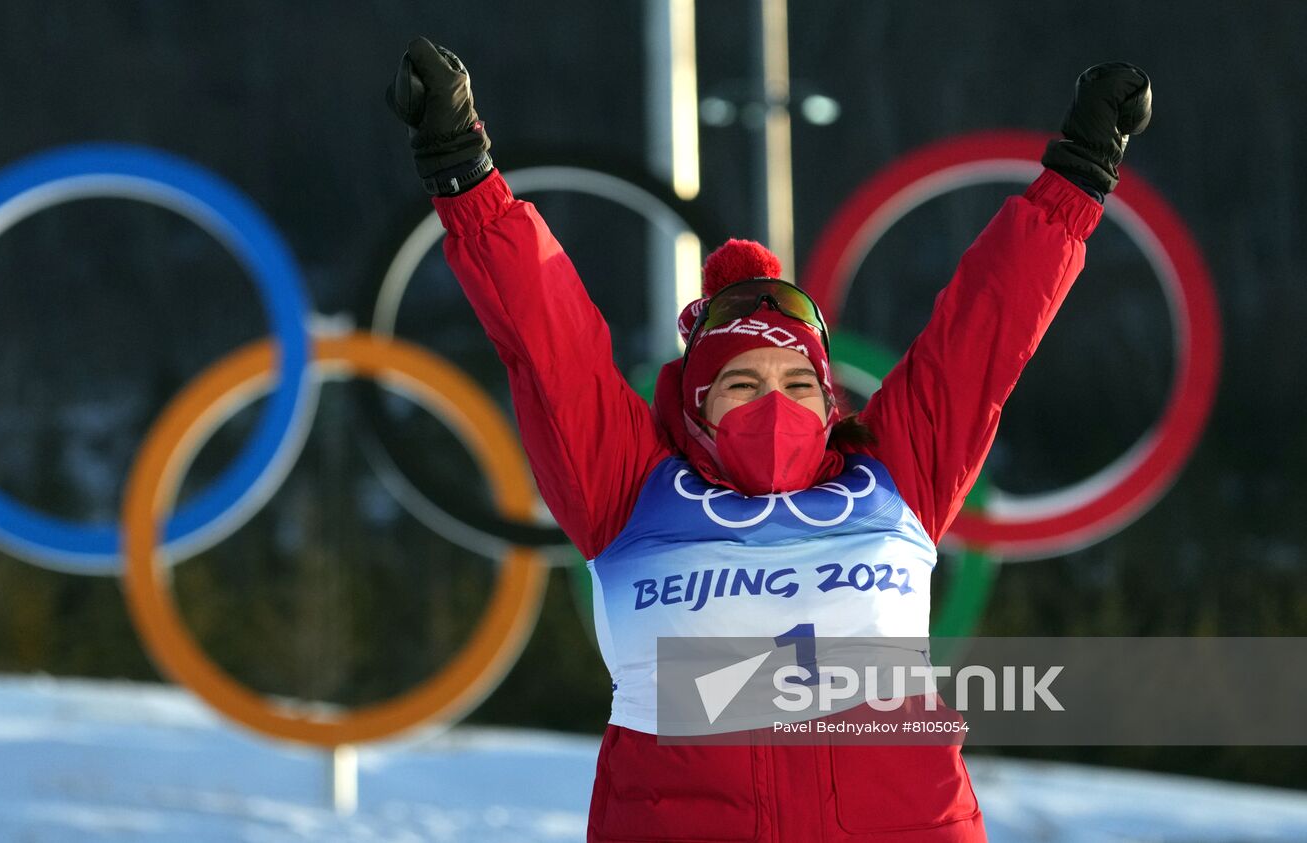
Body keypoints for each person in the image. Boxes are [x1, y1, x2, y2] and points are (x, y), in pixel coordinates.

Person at [386, 37, 1151, 843]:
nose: (773, 403)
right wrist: (463, 169)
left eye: (795, 384)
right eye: (743, 385)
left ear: (829, 398)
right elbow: (549, 345)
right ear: (698, 404)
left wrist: (1079, 176)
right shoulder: (627, 492)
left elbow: (985, 333)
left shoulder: (895, 477)